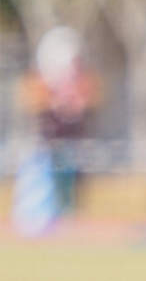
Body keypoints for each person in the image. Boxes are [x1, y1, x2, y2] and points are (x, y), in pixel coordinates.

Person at [17, 26, 101, 219]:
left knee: (74, 175)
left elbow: (88, 104)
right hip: (50, 146)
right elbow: (36, 106)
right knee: (53, 175)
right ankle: (53, 210)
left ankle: (71, 210)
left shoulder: (81, 86)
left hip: (73, 143)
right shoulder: (41, 87)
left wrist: (74, 103)